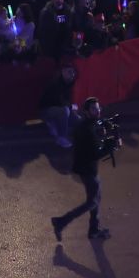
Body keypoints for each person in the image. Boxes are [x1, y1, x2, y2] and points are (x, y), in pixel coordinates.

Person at [49, 98, 111, 242]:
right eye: (94, 109)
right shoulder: (87, 129)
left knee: (96, 197)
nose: (98, 111)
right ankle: (61, 222)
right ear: (87, 112)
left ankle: (93, 230)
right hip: (88, 171)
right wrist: (111, 146)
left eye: (98, 108)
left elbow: (92, 143)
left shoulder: (86, 125)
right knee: (93, 202)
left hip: (86, 169)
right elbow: (96, 153)